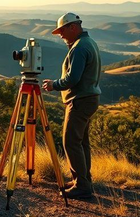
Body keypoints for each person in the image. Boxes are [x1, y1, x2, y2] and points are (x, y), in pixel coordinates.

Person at [43, 12, 101, 199]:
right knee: (81, 142)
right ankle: (82, 180)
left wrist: (54, 85)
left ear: (73, 27)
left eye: (62, 31)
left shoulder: (79, 47)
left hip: (80, 100)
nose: (60, 35)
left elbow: (72, 78)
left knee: (70, 142)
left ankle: (82, 186)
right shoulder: (88, 43)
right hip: (88, 98)